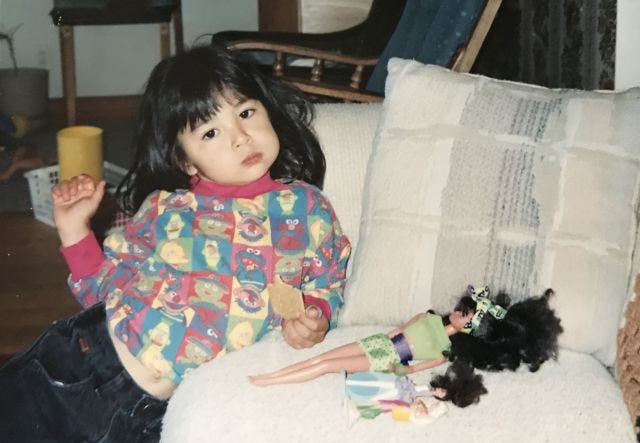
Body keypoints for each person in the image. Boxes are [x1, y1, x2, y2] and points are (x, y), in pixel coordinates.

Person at [0, 43, 350, 442]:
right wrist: (74, 230)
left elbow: (326, 281)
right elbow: (102, 290)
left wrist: (314, 316)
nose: (240, 138)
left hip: (154, 416)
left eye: (247, 113)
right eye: (211, 132)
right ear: (185, 161)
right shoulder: (168, 209)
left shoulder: (308, 208)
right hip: (80, 365)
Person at [249, 285, 562, 387]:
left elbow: (413, 368)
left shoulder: (443, 350)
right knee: (323, 357)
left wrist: (397, 372)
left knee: (327, 366)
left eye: (465, 315)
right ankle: (272, 375)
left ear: (472, 330)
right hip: (381, 344)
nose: (458, 313)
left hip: (389, 357)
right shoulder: (428, 317)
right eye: (462, 308)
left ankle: (269, 380)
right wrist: (385, 339)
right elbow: (398, 330)